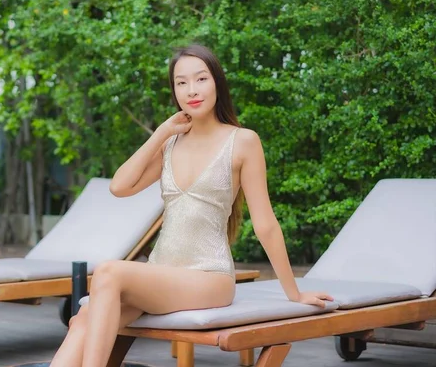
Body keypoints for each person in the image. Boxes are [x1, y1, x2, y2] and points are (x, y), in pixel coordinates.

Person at [49, 44, 333, 367]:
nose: (191, 90)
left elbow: (265, 225)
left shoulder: (243, 142)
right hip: (161, 276)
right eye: (181, 82)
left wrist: (294, 293)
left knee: (108, 273)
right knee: (84, 320)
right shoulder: (170, 144)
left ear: (217, 83)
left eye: (200, 79)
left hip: (209, 277)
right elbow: (119, 186)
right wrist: (161, 133)